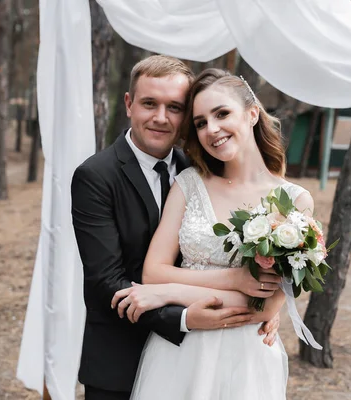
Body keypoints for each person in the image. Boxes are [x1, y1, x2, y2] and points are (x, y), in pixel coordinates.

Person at [71, 56, 280, 400]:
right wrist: (184, 318)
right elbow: (105, 280)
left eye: (175, 107)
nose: (160, 117)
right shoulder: (96, 176)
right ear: (128, 104)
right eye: (149, 103)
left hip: (200, 359)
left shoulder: (198, 169)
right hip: (120, 357)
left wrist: (270, 307)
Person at [113, 68, 315, 399]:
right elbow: (153, 272)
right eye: (201, 122)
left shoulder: (294, 202)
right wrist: (234, 281)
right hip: (180, 353)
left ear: (252, 114)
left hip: (247, 358)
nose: (212, 129)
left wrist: (167, 294)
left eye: (222, 114)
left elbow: (264, 309)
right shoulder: (189, 183)